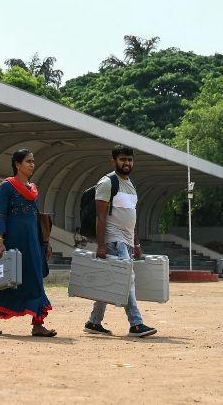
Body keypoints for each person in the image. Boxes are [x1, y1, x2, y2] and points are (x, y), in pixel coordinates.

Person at [0, 149, 56, 337]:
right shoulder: (7, 186)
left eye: (33, 161)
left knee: (35, 280)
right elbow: (1, 215)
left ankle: (38, 324)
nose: (32, 165)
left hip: (33, 242)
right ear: (17, 164)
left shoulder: (33, 189)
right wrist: (0, 241)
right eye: (28, 161)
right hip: (14, 241)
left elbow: (35, 218)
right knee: (6, 281)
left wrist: (45, 243)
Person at [84, 145, 157, 338]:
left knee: (110, 279)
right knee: (126, 279)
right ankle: (136, 324)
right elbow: (100, 217)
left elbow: (132, 217)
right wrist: (101, 245)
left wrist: (137, 244)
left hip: (127, 240)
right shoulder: (107, 182)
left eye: (129, 160)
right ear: (113, 161)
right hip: (113, 239)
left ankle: (94, 322)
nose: (127, 163)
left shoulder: (131, 185)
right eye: (123, 159)